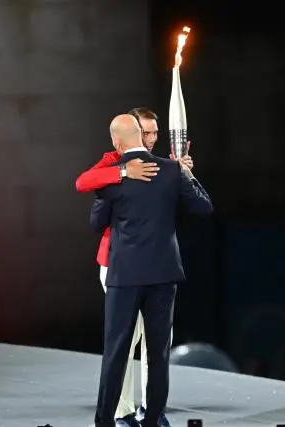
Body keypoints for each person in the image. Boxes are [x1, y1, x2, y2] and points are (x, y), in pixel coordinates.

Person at [90, 114, 212, 427]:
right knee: (158, 354)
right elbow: (203, 207)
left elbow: (96, 224)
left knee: (116, 352)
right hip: (163, 274)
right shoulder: (171, 171)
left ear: (118, 142)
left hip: (125, 276)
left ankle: (104, 422)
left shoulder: (112, 176)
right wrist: (186, 174)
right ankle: (153, 419)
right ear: (142, 137)